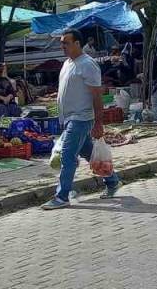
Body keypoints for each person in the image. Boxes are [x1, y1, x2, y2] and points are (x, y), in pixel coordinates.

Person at [42, 29, 120, 210]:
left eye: (66, 43)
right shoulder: (68, 63)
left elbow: (97, 96)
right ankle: (112, 181)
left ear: (78, 43)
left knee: (68, 155)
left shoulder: (88, 64)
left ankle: (62, 196)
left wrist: (99, 123)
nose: (63, 46)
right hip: (69, 118)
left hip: (81, 118)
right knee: (88, 152)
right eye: (62, 43)